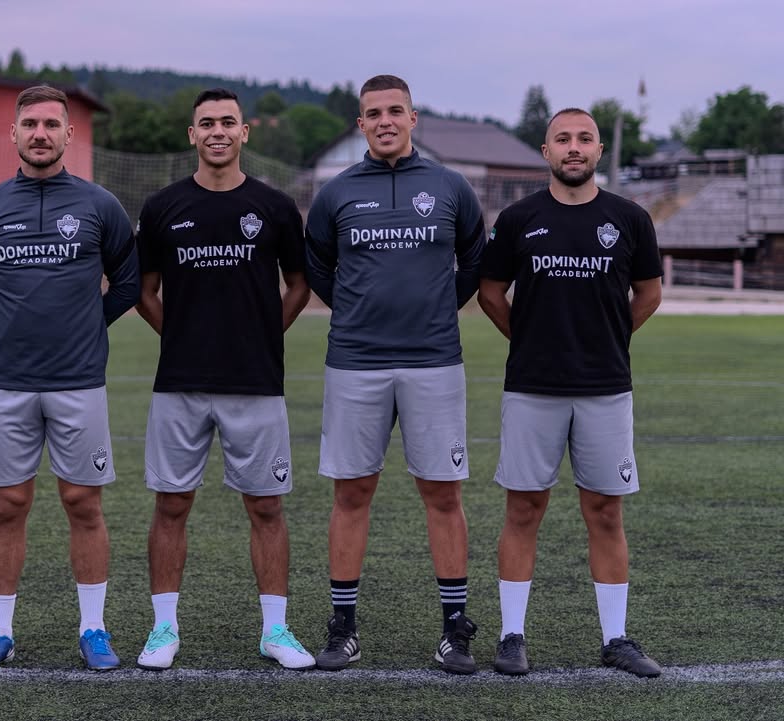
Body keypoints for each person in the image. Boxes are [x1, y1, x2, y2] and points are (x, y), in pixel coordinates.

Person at [304, 75, 486, 674]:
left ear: (413, 118)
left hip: (434, 361)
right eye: (373, 113)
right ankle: (343, 627)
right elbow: (319, 269)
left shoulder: (451, 187)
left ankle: (454, 630)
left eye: (395, 111)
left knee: (443, 493)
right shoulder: (335, 194)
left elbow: (473, 264)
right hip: (355, 362)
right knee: (352, 493)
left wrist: (433, 310)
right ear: (360, 124)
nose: (384, 121)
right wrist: (359, 312)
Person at [0, 85, 139, 672]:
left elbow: (128, 284)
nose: (40, 133)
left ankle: (94, 629)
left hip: (78, 380)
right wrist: (7, 328)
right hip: (8, 382)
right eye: (30, 124)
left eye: (51, 125)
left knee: (83, 503)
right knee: (8, 506)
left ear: (68, 134)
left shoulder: (99, 205)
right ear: (14, 133)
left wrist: (83, 325)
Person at [477, 108, 664, 678]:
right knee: (523, 508)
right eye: (563, 139)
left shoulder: (629, 218)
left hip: (605, 388)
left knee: (605, 512)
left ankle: (616, 639)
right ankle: (511, 636)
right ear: (546, 151)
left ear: (599, 150)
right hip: (532, 388)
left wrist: (609, 338)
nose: (574, 147)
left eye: (585, 139)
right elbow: (490, 292)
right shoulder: (518, 218)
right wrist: (529, 340)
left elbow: (649, 293)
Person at [133, 88, 314, 671]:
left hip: (254, 382)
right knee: (171, 504)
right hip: (180, 383)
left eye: (228, 122)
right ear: (192, 135)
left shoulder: (275, 206)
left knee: (267, 506)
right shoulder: (162, 207)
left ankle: (276, 630)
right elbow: (143, 290)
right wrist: (181, 336)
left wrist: (262, 334)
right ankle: (163, 629)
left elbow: (299, 284)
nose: (217, 131)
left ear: (244, 132)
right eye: (207, 123)